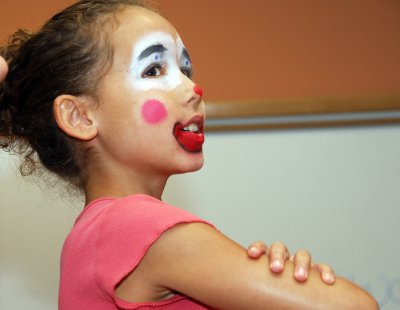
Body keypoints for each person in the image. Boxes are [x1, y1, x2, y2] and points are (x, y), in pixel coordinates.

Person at [0, 1, 378, 309]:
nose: (193, 87)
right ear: (80, 116)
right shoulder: (137, 227)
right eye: (153, 69)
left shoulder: (95, 235)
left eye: (184, 68)